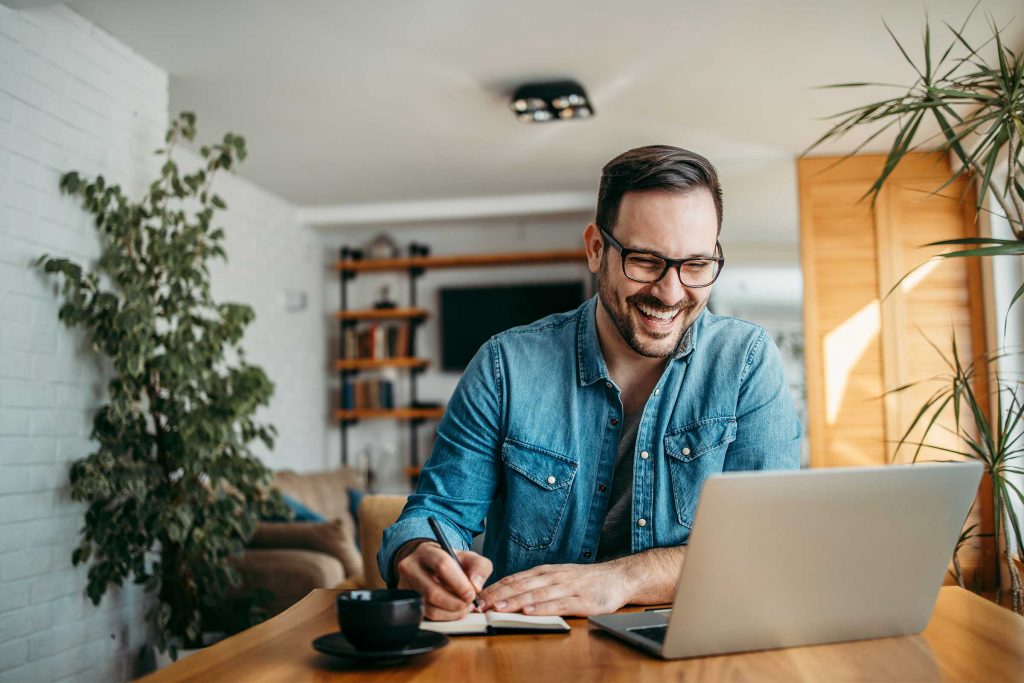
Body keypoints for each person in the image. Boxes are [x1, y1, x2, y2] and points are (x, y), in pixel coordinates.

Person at [378, 145, 801, 621]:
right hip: (531, 650)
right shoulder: (506, 366)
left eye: (697, 265)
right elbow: (437, 513)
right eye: (645, 261)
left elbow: (767, 542)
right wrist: (416, 554)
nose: (671, 292)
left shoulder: (745, 361)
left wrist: (622, 579)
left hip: (688, 644)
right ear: (596, 249)